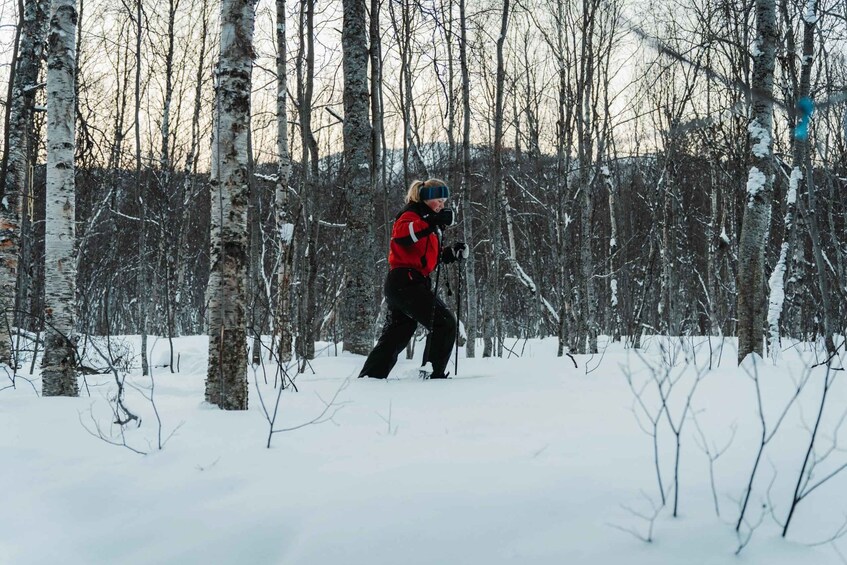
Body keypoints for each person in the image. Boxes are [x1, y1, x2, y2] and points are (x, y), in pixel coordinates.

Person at [358, 178, 468, 380]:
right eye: (439, 200)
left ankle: (370, 378)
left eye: (444, 201)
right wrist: (432, 221)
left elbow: (425, 256)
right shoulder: (410, 215)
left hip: (407, 283)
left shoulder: (425, 221)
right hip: (405, 282)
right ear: (426, 198)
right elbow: (403, 236)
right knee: (444, 322)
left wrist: (451, 253)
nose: (442, 205)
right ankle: (433, 375)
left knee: (399, 331)